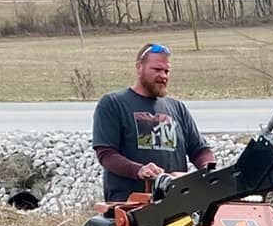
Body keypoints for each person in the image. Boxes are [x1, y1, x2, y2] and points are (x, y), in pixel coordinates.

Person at [92, 43, 216, 202]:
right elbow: (106, 155)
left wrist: (208, 172)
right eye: (157, 69)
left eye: (167, 71)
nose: (163, 76)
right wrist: (139, 170)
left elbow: (200, 150)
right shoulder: (113, 103)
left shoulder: (177, 108)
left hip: (175, 202)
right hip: (129, 205)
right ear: (139, 67)